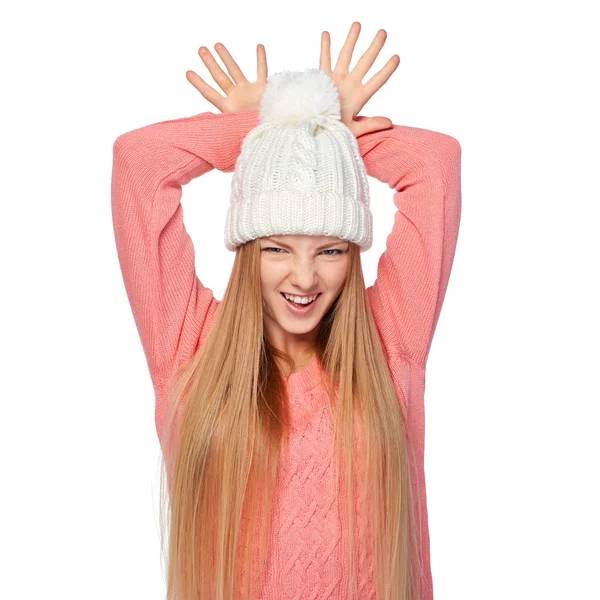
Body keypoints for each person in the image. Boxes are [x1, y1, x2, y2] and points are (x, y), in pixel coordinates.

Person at [111, 22, 461, 600]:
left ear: (351, 255)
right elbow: (139, 163)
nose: (304, 277)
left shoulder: (390, 345)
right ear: (248, 252)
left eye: (330, 250)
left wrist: (325, 135)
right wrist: (277, 128)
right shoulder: (188, 350)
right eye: (277, 248)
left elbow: (434, 163)